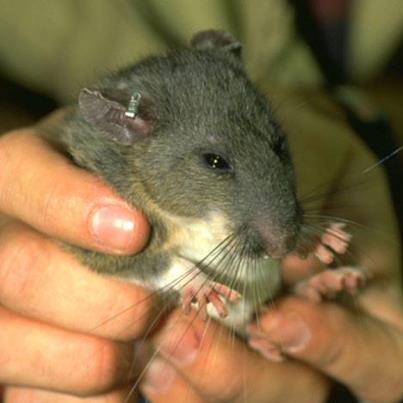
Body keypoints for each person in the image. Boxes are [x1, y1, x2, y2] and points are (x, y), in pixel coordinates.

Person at [0, 1, 402, 402]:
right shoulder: (115, 170)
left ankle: (292, 301)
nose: (277, 234)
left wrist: (350, 121)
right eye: (215, 163)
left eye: (278, 146)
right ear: (128, 129)